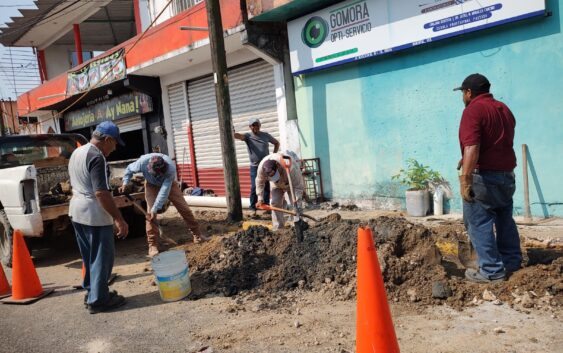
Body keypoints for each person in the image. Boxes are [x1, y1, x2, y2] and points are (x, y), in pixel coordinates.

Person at [454, 73, 522, 283]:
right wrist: (465, 158)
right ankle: (511, 262)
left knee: (477, 222)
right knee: (504, 219)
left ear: (468, 92)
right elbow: (495, 142)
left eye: (463, 93)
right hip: (506, 177)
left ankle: (492, 271)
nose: (462, 97)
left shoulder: (473, 110)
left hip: (484, 179)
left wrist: (465, 178)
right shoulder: (503, 109)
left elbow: (473, 145)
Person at [68, 121, 128, 314]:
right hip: (93, 214)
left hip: (77, 211)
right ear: (107, 139)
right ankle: (99, 300)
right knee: (102, 258)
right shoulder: (97, 157)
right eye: (115, 142)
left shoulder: (78, 152)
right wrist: (119, 219)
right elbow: (101, 193)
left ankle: (92, 292)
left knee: (89, 257)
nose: (115, 146)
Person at [119, 153, 208, 257]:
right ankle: (153, 245)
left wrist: (155, 208)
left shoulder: (170, 169)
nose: (155, 175)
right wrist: (125, 183)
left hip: (169, 185)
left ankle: (197, 235)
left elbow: (164, 192)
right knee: (150, 215)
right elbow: (129, 169)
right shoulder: (142, 163)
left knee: (184, 209)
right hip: (151, 185)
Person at [234, 117, 280, 214]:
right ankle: (252, 208)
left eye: (257, 125)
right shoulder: (248, 136)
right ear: (250, 127)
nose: (255, 127)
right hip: (255, 167)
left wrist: (273, 156)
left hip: (266, 165)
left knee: (267, 186)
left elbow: (276, 143)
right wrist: (232, 133)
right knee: (255, 186)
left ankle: (266, 207)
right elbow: (239, 136)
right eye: (253, 125)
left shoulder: (265, 135)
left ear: (260, 125)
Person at [255, 152, 304, 231]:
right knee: (275, 203)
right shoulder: (262, 169)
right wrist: (260, 198)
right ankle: (278, 228)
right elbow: (259, 182)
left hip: (290, 182)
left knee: (296, 206)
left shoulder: (291, 168)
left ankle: (297, 226)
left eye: (275, 174)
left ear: (277, 166)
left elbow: (298, 187)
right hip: (276, 185)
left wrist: (297, 201)